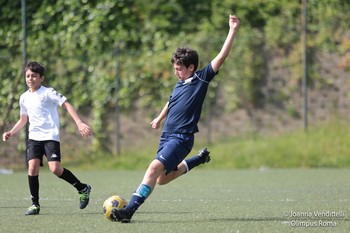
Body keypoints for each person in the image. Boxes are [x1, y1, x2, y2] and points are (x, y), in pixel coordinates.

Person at [111, 14, 240, 223]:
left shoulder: (201, 78)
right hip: (167, 136)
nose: (176, 73)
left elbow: (221, 57)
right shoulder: (179, 84)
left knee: (153, 168)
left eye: (179, 69)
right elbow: (171, 102)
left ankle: (129, 211)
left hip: (182, 137)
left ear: (191, 67)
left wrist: (232, 30)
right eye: (175, 69)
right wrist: (160, 118)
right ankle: (197, 160)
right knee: (161, 179)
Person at [2, 61, 92, 215]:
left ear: (41, 78)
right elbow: (23, 119)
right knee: (32, 168)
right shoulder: (23, 97)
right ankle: (35, 204)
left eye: (34, 76)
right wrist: (11, 132)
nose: (30, 79)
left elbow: (67, 105)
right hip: (34, 137)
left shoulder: (48, 92)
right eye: (28, 76)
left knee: (55, 169)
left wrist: (79, 122)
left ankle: (82, 188)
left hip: (50, 136)